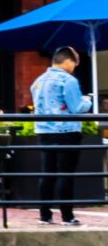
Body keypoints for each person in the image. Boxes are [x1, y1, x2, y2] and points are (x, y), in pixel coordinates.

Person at [32, 45, 94, 225]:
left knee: (47, 174)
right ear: (67, 61)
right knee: (65, 174)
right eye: (74, 63)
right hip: (66, 132)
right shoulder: (68, 80)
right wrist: (87, 100)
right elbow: (76, 107)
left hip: (44, 132)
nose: (74, 67)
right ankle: (67, 216)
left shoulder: (38, 81)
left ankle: (45, 215)